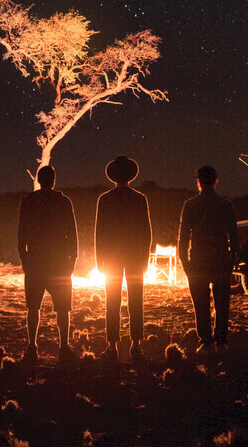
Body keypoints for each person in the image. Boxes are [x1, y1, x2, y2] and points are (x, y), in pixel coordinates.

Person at [17, 165, 79, 361]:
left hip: (35, 262)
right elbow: (73, 235)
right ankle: (64, 347)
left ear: (38, 180)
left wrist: (24, 260)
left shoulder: (28, 202)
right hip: (59, 263)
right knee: (63, 308)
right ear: (54, 181)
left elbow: (21, 235)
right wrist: (72, 261)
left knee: (33, 307)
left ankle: (32, 347)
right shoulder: (64, 202)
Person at [94, 155, 153, 361]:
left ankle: (112, 346)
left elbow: (99, 232)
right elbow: (146, 232)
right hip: (135, 256)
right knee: (136, 299)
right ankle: (136, 345)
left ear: (113, 177)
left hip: (111, 258)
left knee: (112, 300)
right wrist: (145, 259)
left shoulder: (105, 199)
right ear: (130, 176)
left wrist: (99, 259)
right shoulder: (139, 198)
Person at [178, 165, 239, 354]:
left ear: (199, 182)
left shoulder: (190, 205)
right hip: (221, 261)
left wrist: (184, 261)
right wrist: (232, 259)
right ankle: (221, 342)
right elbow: (234, 236)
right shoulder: (225, 204)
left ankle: (205, 342)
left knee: (200, 304)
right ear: (216, 181)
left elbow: (183, 237)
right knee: (222, 304)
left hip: (197, 261)